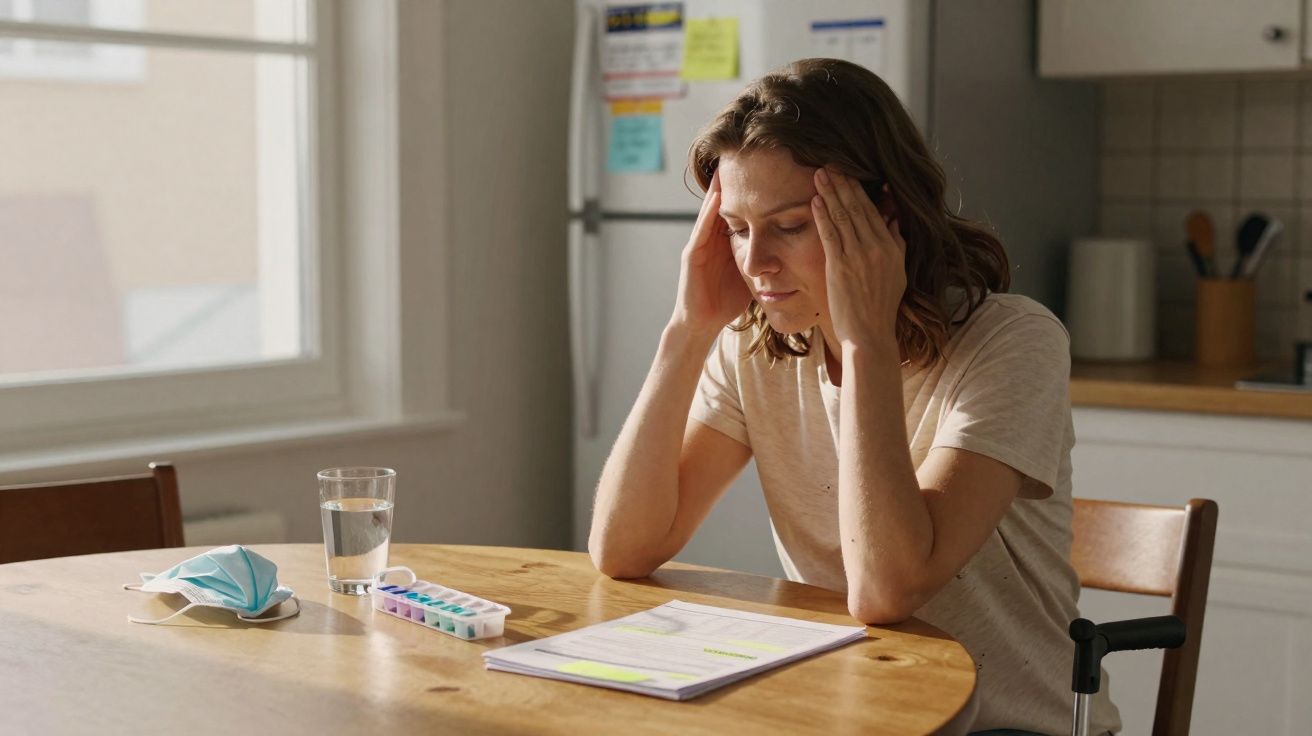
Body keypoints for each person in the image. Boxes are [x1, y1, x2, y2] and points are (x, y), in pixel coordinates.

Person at [586, 58, 1121, 736]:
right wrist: (686, 331)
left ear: (881, 214)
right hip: (859, 711)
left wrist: (866, 341)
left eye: (788, 225)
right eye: (737, 228)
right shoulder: (758, 347)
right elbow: (624, 549)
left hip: (1013, 724)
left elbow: (886, 589)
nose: (754, 265)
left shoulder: (1012, 341)